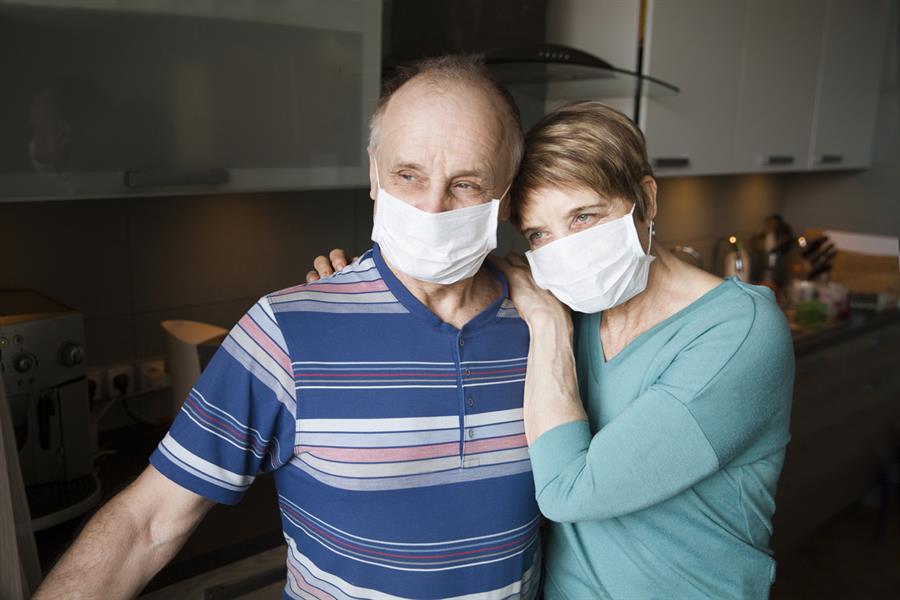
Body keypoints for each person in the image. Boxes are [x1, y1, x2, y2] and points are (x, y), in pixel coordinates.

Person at [33, 56, 542, 600]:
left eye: (465, 184)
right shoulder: (286, 330)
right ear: (374, 174)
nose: (432, 206)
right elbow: (148, 524)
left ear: (506, 196)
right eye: (407, 175)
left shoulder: (550, 324)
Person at [314, 101, 795, 599]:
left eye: (585, 216)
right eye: (540, 233)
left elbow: (571, 490)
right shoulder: (572, 298)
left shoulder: (737, 331)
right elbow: (442, 309)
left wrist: (546, 324)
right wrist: (355, 297)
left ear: (646, 200)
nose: (566, 250)